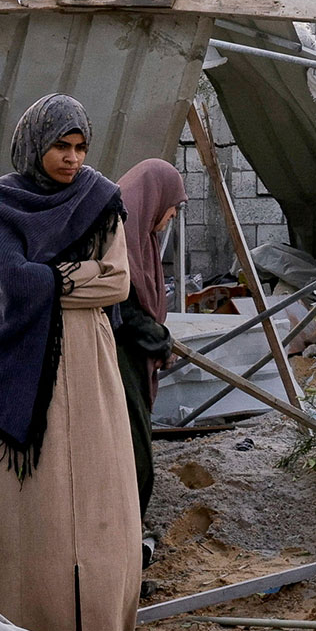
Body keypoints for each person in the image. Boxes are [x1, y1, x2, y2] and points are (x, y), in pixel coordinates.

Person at [0, 93, 141, 631]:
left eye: (79, 147)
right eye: (59, 147)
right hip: (20, 359)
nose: (71, 159)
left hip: (89, 364)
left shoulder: (100, 198)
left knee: (97, 497)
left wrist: (52, 277)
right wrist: (79, 276)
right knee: (31, 509)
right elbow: (13, 282)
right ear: (34, 145)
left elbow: (118, 284)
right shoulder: (1, 199)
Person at [115, 159, 187, 520]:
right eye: (173, 204)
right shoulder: (119, 235)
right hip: (117, 361)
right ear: (155, 197)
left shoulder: (141, 239)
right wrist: (161, 341)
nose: (172, 213)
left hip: (131, 357)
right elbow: (123, 307)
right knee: (134, 455)